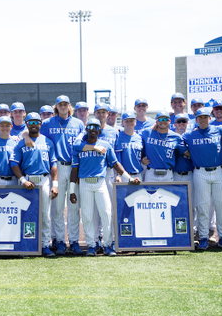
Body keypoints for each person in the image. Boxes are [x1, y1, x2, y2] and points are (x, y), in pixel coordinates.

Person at [70, 118, 140, 256]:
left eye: (96, 127)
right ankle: (91, 245)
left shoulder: (106, 145)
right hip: (84, 183)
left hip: (100, 182)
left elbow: (115, 164)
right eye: (90, 126)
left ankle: (108, 244)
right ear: (86, 129)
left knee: (107, 213)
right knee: (87, 215)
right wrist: (72, 191)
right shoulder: (79, 146)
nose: (93, 129)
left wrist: (130, 178)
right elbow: (74, 170)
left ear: (100, 130)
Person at [38, 95, 84, 255]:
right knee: (56, 208)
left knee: (73, 207)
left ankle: (74, 241)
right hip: (56, 167)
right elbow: (32, 134)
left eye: (65, 104)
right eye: (60, 104)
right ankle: (58, 240)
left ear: (69, 106)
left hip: (74, 168)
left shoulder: (78, 123)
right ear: (56, 107)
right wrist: (24, 135)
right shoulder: (47, 123)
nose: (63, 106)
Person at [182, 108, 222, 250]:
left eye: (205, 117)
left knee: (221, 205)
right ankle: (203, 237)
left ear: (210, 118)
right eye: (200, 117)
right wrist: (187, 153)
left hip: (218, 172)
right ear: (196, 120)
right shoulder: (190, 135)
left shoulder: (219, 130)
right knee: (202, 206)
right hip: (200, 172)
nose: (203, 120)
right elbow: (176, 140)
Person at [10, 112, 58, 257]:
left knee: (45, 214)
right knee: (25, 214)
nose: (33, 125)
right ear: (26, 124)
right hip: (27, 180)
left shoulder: (48, 142)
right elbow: (13, 163)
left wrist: (55, 184)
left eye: (36, 122)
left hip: (43, 180)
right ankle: (27, 245)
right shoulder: (20, 142)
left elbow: (53, 164)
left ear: (40, 124)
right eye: (30, 122)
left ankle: (44, 245)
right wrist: (23, 180)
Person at [171, 113, 197, 239]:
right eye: (179, 122)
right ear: (174, 124)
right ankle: (176, 233)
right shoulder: (170, 137)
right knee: (175, 205)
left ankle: (192, 233)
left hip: (190, 174)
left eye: (184, 122)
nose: (181, 124)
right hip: (174, 175)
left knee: (192, 205)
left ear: (188, 123)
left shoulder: (192, 137)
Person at [141, 111, 186, 182]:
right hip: (151, 173)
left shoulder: (176, 137)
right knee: (149, 193)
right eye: (160, 119)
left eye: (165, 119)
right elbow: (135, 142)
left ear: (169, 121)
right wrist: (141, 159)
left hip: (168, 174)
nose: (163, 121)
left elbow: (186, 152)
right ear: (156, 121)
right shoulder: (147, 133)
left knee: (167, 193)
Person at [114, 112, 144, 182]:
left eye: (131, 120)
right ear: (122, 123)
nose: (129, 122)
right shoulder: (119, 136)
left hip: (138, 174)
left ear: (135, 122)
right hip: (124, 175)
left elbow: (142, 155)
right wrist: (119, 174)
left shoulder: (139, 138)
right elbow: (118, 157)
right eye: (126, 121)